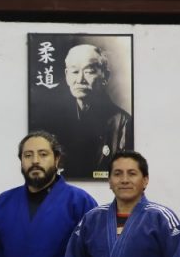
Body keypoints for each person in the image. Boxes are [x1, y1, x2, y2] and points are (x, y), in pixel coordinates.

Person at [40, 44, 133, 180]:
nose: (80, 80)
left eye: (89, 72)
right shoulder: (52, 118)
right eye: (74, 72)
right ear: (66, 76)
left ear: (105, 76)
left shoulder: (123, 123)